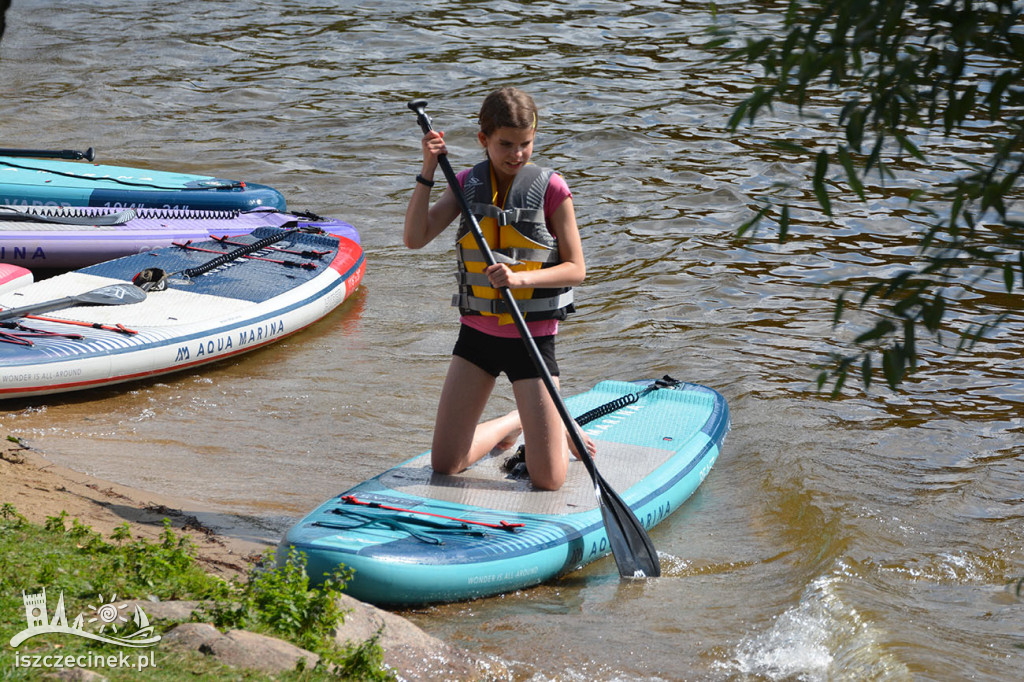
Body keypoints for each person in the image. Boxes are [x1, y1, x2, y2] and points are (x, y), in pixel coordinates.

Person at [403, 86, 595, 491]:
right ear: (483, 139)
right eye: (505, 144)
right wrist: (427, 170)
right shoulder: (464, 184)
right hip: (476, 337)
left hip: (532, 341)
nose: (516, 154)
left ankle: (551, 418)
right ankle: (518, 419)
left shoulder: (553, 189)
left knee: (549, 481)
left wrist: (520, 278)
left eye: (525, 144)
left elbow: (576, 269)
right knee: (445, 463)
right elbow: (415, 238)